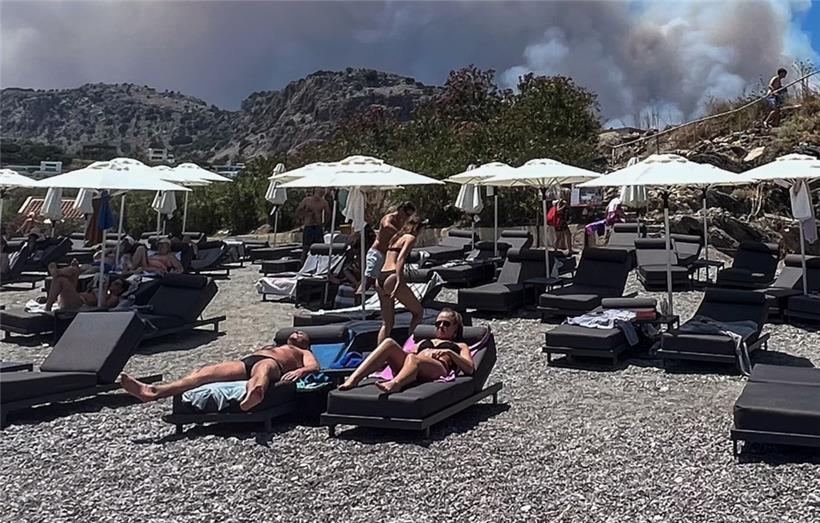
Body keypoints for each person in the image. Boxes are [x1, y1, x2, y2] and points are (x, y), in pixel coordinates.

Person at [120, 331, 319, 411]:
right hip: (247, 362)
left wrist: (301, 372)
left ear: (306, 342)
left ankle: (253, 395)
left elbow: (314, 366)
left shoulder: (302, 351)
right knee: (204, 372)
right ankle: (154, 392)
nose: (297, 332)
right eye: (295, 331)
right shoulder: (275, 344)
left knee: (263, 370)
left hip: (273, 364)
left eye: (302, 334)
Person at [338, 309, 474, 394]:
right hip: (414, 364)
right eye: (438, 324)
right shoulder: (423, 341)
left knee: (414, 359)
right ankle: (353, 379)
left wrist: (449, 353)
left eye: (446, 324)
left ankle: (395, 384)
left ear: (456, 328)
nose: (441, 326)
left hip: (438, 368)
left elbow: (469, 369)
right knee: (388, 343)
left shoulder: (460, 345)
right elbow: (410, 354)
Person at [375, 215, 424, 344]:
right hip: (392, 275)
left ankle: (378, 355)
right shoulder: (410, 238)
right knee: (418, 312)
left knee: (387, 323)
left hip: (381, 276)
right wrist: (398, 279)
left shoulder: (396, 238)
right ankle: (411, 346)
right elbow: (400, 259)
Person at [359, 201, 416, 296]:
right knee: (369, 279)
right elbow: (386, 226)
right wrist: (402, 234)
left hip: (387, 256)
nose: (407, 217)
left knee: (383, 280)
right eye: (406, 214)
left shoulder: (402, 222)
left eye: (409, 215)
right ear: (401, 209)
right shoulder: (389, 218)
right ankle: (359, 298)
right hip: (377, 253)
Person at [44, 261, 127, 311]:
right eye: (114, 282)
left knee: (60, 280)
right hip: (76, 297)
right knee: (75, 270)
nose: (112, 284)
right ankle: (58, 272)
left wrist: (98, 290)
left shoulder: (114, 298)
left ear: (120, 290)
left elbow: (103, 307)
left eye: (117, 284)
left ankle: (48, 306)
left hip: (79, 304)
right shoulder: (106, 293)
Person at [296, 188, 330, 261]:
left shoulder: (324, 202)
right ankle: (303, 264)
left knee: (320, 248)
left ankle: (319, 264)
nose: (321, 191)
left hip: (318, 227)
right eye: (319, 190)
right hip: (309, 226)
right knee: (306, 248)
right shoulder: (307, 200)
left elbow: (328, 214)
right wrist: (303, 217)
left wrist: (324, 224)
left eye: (322, 190)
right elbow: (298, 211)